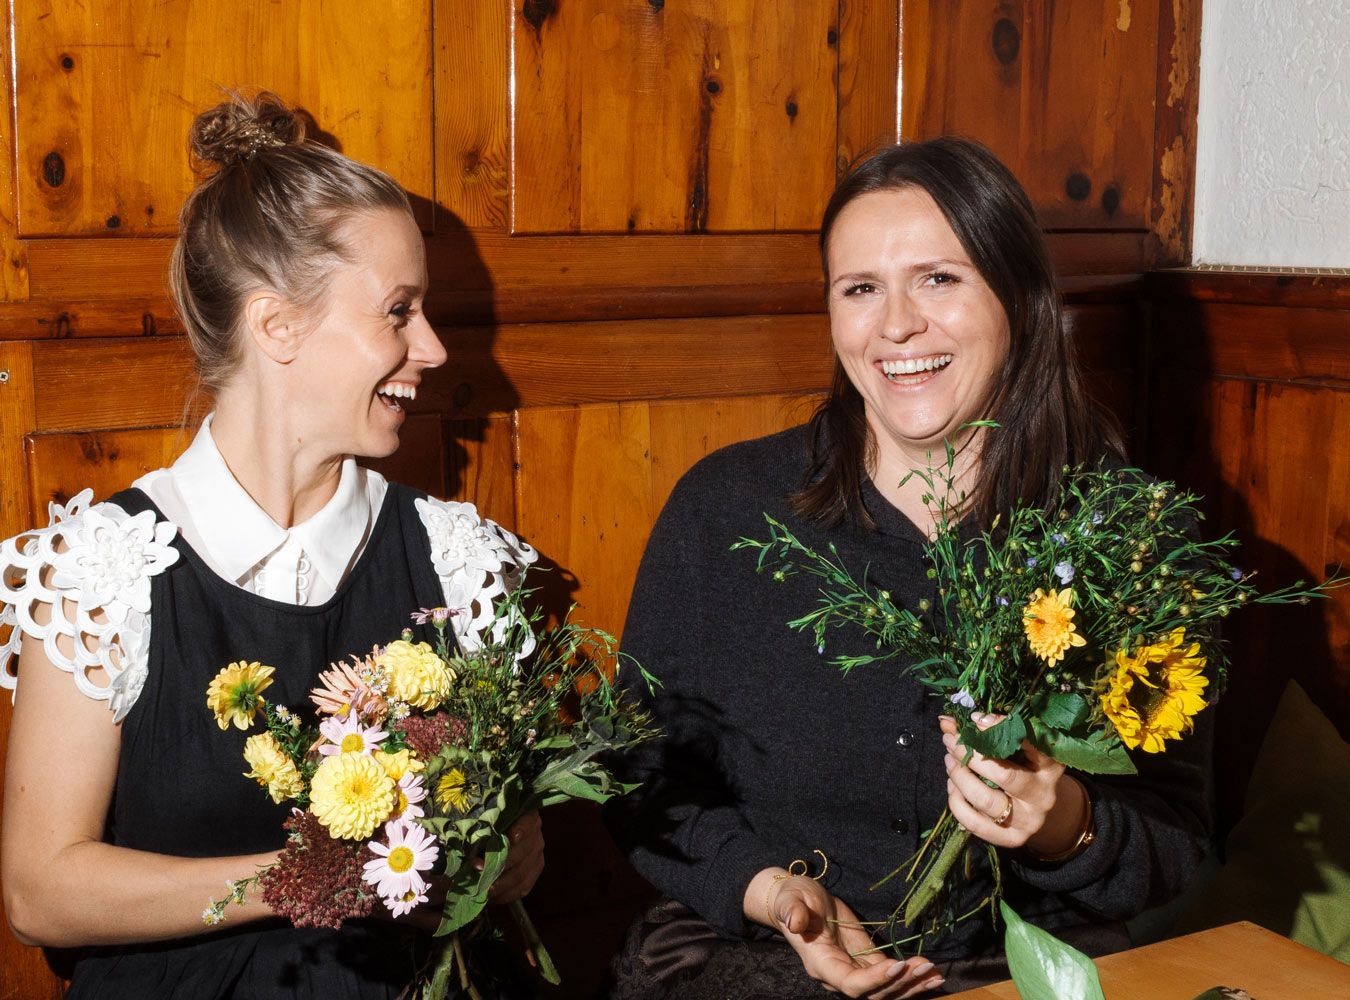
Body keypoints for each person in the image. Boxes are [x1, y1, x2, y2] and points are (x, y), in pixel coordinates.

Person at [605, 137, 1213, 999]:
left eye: (939, 278)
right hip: (758, 957)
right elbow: (638, 777)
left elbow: (1182, 848)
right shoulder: (726, 510)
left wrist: (1065, 827)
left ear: (1021, 298)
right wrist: (769, 892)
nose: (896, 325)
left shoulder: (1129, 535)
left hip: (1022, 970)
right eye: (861, 289)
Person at [0, 92, 544, 998]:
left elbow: (514, 845)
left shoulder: (458, 558)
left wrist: (515, 850)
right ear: (276, 325)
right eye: (399, 311)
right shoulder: (103, 572)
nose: (437, 348)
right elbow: (40, 891)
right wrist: (293, 883)